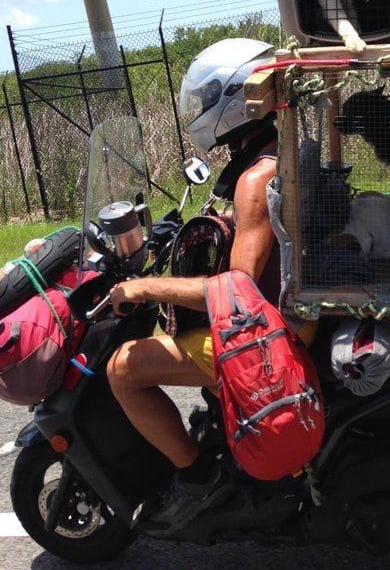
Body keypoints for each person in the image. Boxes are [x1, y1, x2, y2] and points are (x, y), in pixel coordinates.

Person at [106, 37, 296, 537]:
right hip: (284, 317)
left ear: (233, 101)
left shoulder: (258, 177)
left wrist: (147, 288)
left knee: (123, 369)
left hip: (260, 337)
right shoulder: (285, 150)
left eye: (207, 97)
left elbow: (237, 290)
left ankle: (197, 477)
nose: (200, 110)